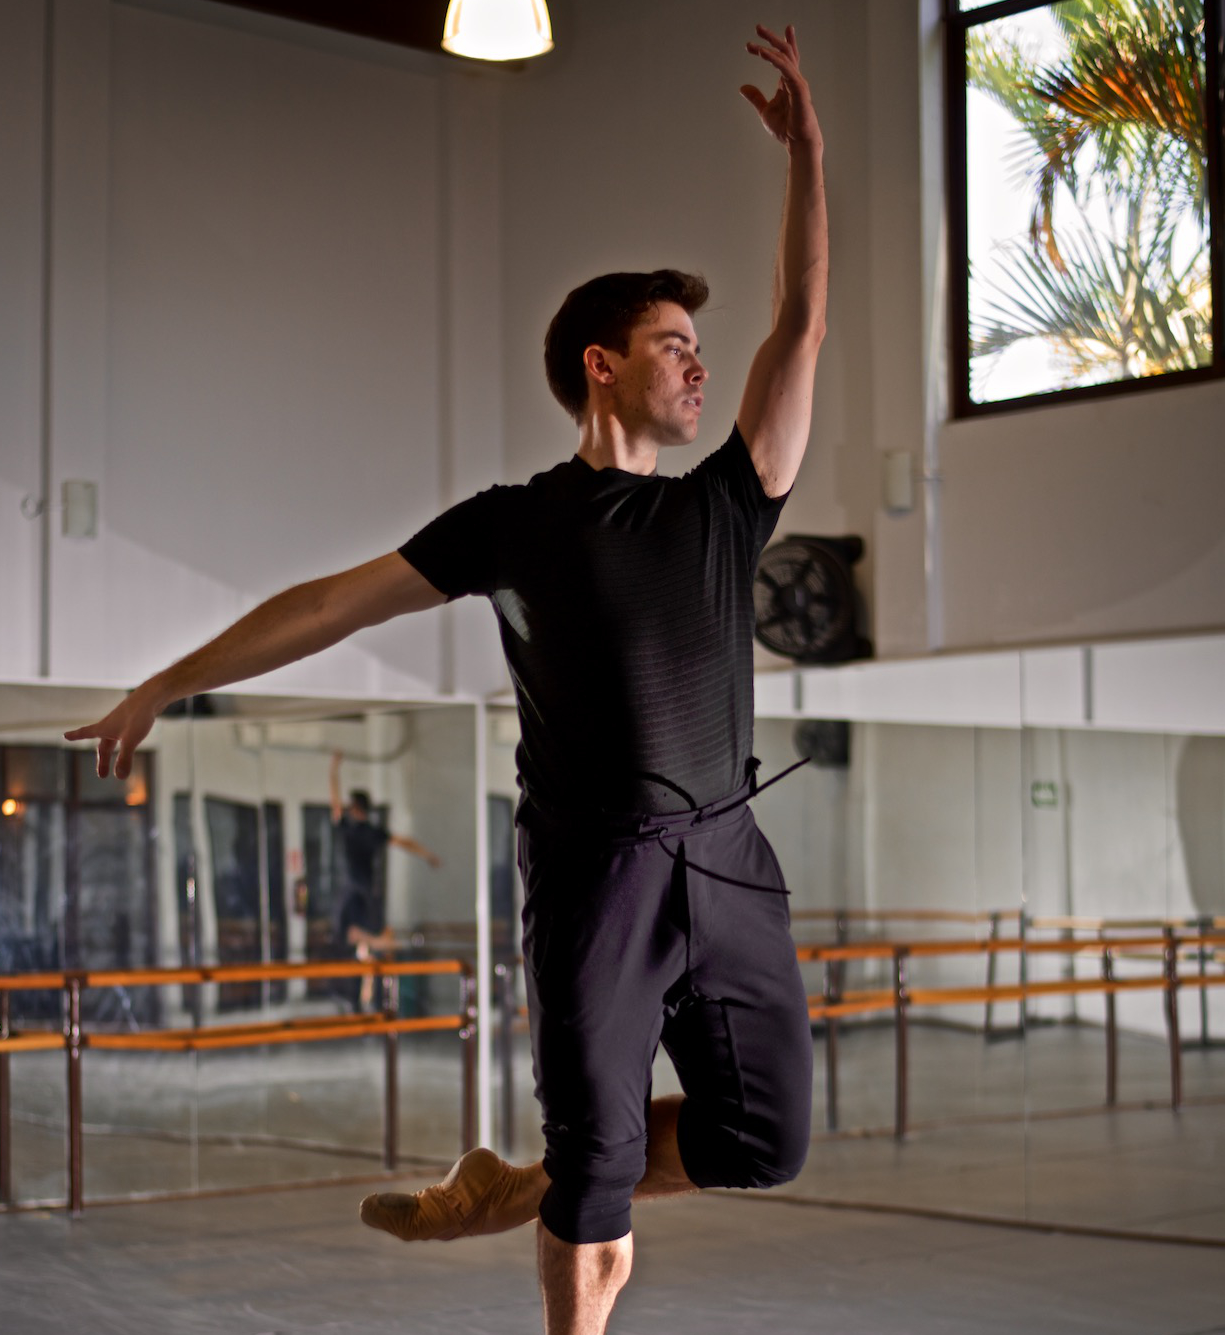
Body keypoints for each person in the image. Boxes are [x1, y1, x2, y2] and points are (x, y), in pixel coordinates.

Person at [65, 23, 824, 1334]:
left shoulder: (726, 502)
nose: (700, 363)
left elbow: (800, 320)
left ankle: (521, 1183)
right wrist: (163, 683)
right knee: (597, 1185)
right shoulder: (515, 525)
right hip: (597, 871)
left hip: (727, 853)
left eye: (701, 343)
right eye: (671, 343)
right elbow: (325, 603)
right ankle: (564, 1206)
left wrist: (807, 157)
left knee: (765, 1139)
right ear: (599, 365)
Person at [327, 750, 439, 1009]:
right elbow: (404, 842)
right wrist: (427, 855)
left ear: (356, 808)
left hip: (355, 891)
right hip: (364, 891)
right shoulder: (369, 831)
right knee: (360, 941)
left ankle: (365, 991)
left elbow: (335, 803)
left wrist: (333, 769)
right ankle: (365, 990)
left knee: (355, 938)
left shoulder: (353, 829)